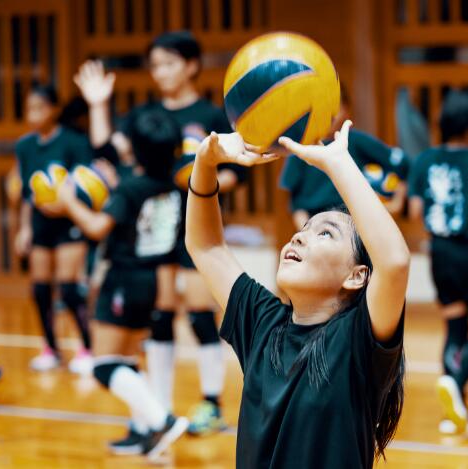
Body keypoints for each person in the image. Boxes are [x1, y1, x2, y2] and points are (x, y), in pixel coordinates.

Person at [186, 121, 407, 468]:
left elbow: (393, 262)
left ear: (357, 276)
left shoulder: (356, 340)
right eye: (304, 228)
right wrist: (205, 162)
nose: (299, 237)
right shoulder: (262, 322)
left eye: (326, 234)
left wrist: (338, 164)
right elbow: (205, 245)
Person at [74, 31, 246, 435]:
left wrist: (200, 181)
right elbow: (107, 151)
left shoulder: (210, 116)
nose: (161, 72)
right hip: (152, 238)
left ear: (191, 66)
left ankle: (211, 403)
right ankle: (160, 409)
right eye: (155, 64)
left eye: (169, 62)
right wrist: (98, 104)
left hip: (195, 231)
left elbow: (234, 174)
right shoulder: (143, 115)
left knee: (202, 316)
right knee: (159, 321)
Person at [58, 107, 189, 460]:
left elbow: (98, 228)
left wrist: (69, 202)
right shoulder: (173, 188)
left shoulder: (130, 189)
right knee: (128, 360)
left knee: (104, 366)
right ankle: (145, 432)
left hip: (123, 280)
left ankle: (161, 419)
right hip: (149, 283)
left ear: (135, 149)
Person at [408, 89, 468, 435]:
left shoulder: (424, 161)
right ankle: (457, 380)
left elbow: (416, 210)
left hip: (441, 254)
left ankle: (457, 411)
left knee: (455, 328)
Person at [13, 84, 94, 374]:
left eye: (39, 107)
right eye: (29, 108)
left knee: (70, 288)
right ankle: (51, 348)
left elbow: (86, 182)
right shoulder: (24, 146)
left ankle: (87, 348)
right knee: (39, 289)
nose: (33, 114)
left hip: (70, 223)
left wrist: (67, 205)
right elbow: (26, 194)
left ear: (54, 110)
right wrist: (24, 229)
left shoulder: (74, 142)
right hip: (40, 225)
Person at [280, 86, 408, 229]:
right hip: (315, 223)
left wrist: (396, 202)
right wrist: (308, 231)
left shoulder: (356, 141)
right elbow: (295, 202)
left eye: (335, 108)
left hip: (355, 223)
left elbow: (402, 165)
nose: (328, 115)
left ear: (347, 109)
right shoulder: (301, 147)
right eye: (320, 108)